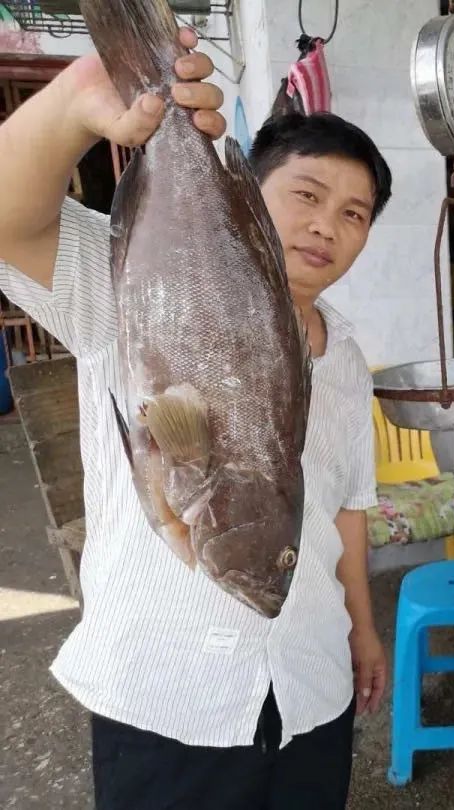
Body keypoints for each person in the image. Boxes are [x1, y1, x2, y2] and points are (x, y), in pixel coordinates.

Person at [0, 28, 391, 809]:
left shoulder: (345, 357)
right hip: (167, 701)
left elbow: (347, 506)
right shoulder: (131, 285)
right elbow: (11, 219)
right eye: (307, 196)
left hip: (310, 687)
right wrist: (79, 100)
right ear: (248, 193)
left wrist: (362, 626)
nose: (327, 225)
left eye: (355, 214)